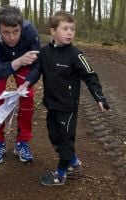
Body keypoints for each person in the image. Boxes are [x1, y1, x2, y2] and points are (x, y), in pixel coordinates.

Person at [18, 10, 111, 186]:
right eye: (65, 28)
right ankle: (73, 161)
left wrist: (99, 97)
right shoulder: (44, 52)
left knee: (66, 140)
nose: (70, 32)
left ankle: (60, 174)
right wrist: (27, 83)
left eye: (72, 29)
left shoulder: (76, 54)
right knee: (55, 137)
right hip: (51, 104)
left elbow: (90, 75)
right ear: (53, 31)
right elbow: (37, 69)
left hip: (68, 107)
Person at [0, 5, 41, 164]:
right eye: (6, 32)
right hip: (1, 64)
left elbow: (38, 64)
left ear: (21, 27)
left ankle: (22, 142)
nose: (12, 37)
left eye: (16, 31)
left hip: (24, 62)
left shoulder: (30, 31)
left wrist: (28, 82)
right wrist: (17, 61)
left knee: (28, 96)